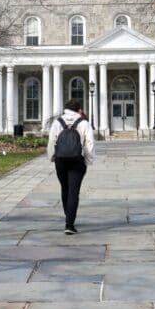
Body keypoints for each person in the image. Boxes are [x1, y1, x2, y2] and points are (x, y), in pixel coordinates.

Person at [46, 97, 96, 234]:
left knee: (65, 188)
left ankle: (68, 214)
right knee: (74, 191)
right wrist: (88, 160)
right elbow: (89, 144)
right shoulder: (84, 123)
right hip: (77, 160)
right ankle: (69, 224)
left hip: (60, 160)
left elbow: (51, 142)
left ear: (66, 109)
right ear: (79, 110)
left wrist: (52, 157)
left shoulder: (57, 122)